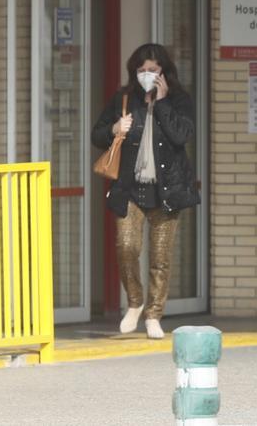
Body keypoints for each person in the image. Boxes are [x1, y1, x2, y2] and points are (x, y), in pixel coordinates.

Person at [92, 43, 200, 339]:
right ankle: (135, 302)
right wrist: (115, 128)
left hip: (167, 192)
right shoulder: (124, 100)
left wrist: (162, 102)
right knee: (126, 248)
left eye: (152, 70)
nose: (146, 75)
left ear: (164, 72)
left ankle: (154, 314)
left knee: (160, 258)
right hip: (130, 189)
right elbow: (97, 135)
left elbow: (183, 135)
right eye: (141, 71)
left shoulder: (179, 100)